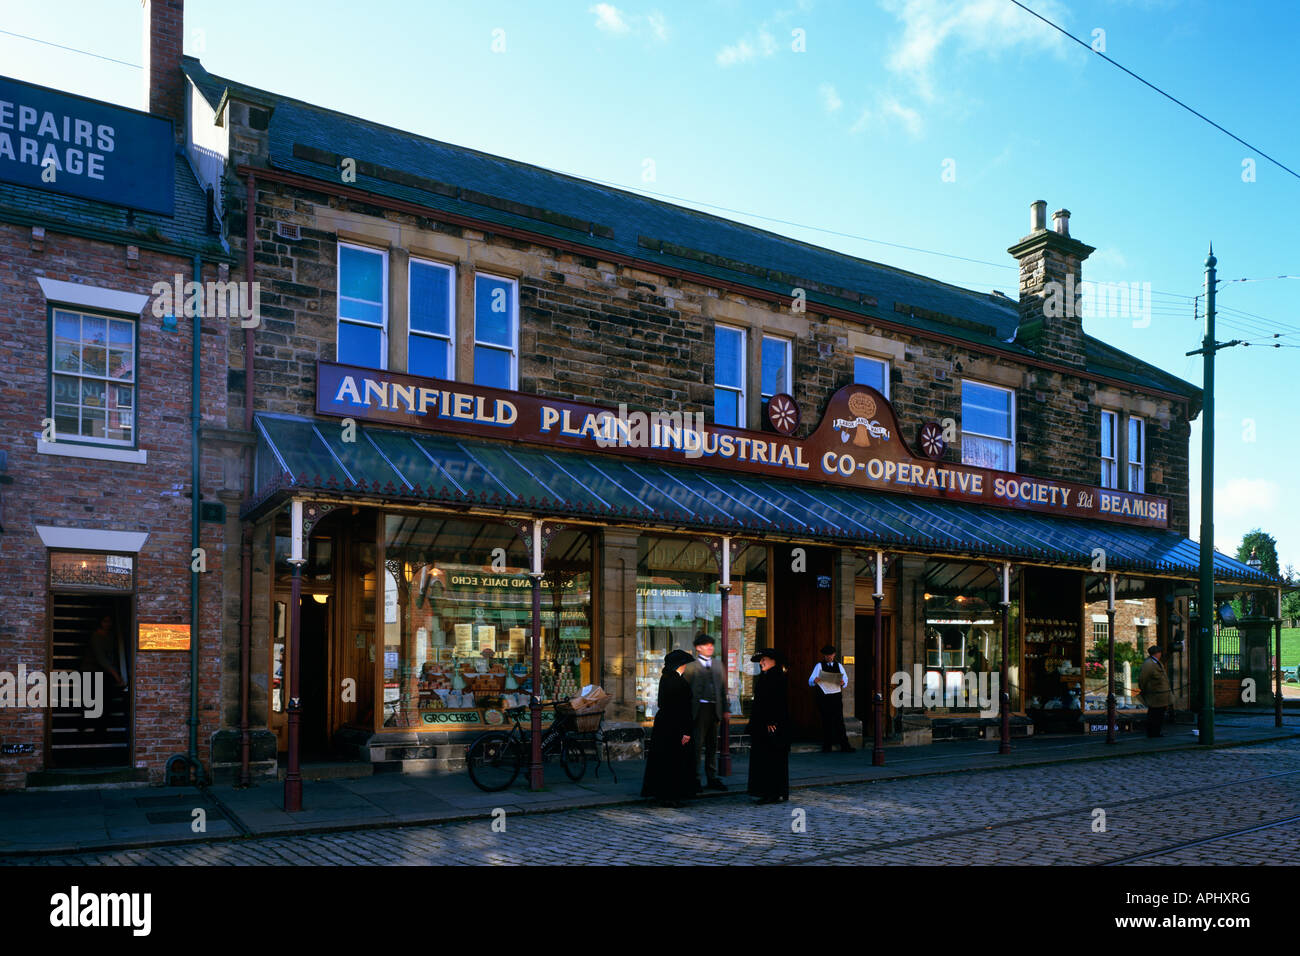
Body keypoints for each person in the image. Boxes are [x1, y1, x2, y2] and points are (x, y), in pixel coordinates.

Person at [641, 648, 697, 807]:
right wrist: (685, 731)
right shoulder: (676, 681)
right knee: (674, 762)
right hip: (675, 726)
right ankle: (671, 795)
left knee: (663, 760)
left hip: (665, 725)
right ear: (680, 665)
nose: (686, 666)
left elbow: (663, 704)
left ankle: (663, 794)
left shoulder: (666, 678)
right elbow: (681, 708)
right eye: (684, 664)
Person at [682, 632, 727, 791]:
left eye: (711, 645)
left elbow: (722, 689)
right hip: (699, 710)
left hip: (714, 709)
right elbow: (685, 691)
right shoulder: (691, 666)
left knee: (712, 745)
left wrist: (725, 710)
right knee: (697, 745)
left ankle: (712, 777)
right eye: (706, 645)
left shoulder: (717, 665)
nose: (710, 647)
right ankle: (695, 778)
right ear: (698, 648)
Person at [747, 648, 789, 804]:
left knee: (771, 758)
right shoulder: (766, 677)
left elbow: (777, 702)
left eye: (764, 659)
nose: (761, 662)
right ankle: (766, 791)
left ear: (774, 661)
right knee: (764, 758)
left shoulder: (777, 677)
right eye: (760, 660)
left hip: (771, 727)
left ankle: (772, 792)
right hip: (762, 725)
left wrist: (772, 721)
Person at [808, 644, 854, 752]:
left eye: (831, 655)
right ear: (824, 656)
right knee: (826, 720)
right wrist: (814, 681)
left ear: (834, 655)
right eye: (826, 655)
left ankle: (844, 745)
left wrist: (843, 682)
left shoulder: (839, 666)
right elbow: (810, 680)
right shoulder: (819, 666)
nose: (829, 657)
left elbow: (846, 679)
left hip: (836, 696)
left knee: (839, 721)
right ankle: (827, 745)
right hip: (824, 697)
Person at [1138, 644, 1171, 737]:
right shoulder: (1148, 664)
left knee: (1159, 714)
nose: (1160, 654)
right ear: (1157, 653)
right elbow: (1142, 678)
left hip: (1161, 695)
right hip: (1155, 694)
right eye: (1160, 652)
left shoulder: (1157, 662)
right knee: (1154, 714)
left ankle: (1156, 732)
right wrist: (1144, 689)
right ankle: (1153, 732)